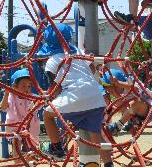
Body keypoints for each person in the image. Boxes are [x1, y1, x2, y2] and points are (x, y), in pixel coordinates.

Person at [41, 23, 114, 167]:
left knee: (47, 115)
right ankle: (108, 163)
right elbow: (93, 69)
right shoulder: (79, 53)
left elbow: (55, 89)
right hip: (95, 97)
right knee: (97, 135)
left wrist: (46, 96)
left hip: (74, 95)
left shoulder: (52, 61)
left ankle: (56, 147)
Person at [100, 69, 152, 135]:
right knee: (120, 104)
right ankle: (133, 122)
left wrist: (118, 83)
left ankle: (117, 126)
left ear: (117, 85)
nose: (112, 93)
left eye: (112, 91)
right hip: (140, 113)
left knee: (135, 104)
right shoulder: (121, 91)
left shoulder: (132, 83)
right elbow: (121, 102)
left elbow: (135, 88)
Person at [0, 68, 40, 164]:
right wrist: (6, 95)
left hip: (30, 129)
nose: (27, 89)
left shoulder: (33, 97)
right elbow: (3, 107)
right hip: (15, 127)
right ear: (15, 87)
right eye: (23, 86)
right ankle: (17, 163)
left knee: (30, 149)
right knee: (16, 143)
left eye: (29, 86)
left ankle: (30, 163)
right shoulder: (11, 96)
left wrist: (39, 101)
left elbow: (41, 101)